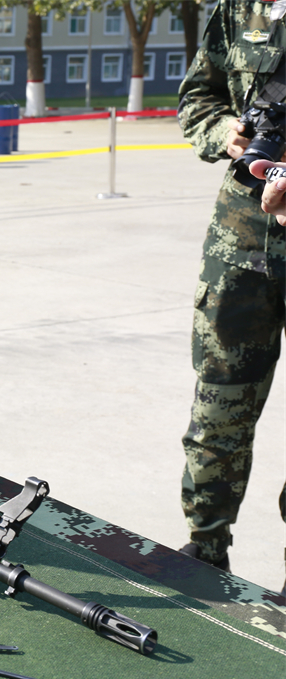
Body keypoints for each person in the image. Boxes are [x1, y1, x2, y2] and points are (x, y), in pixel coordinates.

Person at [175, 0, 285, 576]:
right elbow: (199, 96)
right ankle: (206, 545)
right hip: (241, 230)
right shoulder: (242, 5)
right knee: (219, 398)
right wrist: (228, 132)